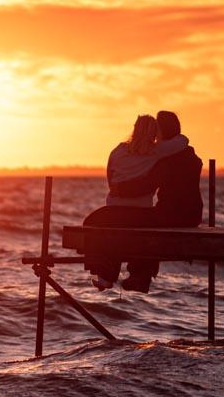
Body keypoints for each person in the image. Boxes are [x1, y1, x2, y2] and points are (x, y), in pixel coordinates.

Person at [84, 110, 203, 293]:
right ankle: (136, 277)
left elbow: (144, 185)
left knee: (100, 224)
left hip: (165, 213)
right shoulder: (172, 153)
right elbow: (182, 141)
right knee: (142, 229)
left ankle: (116, 275)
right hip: (187, 213)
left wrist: (119, 190)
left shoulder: (156, 157)